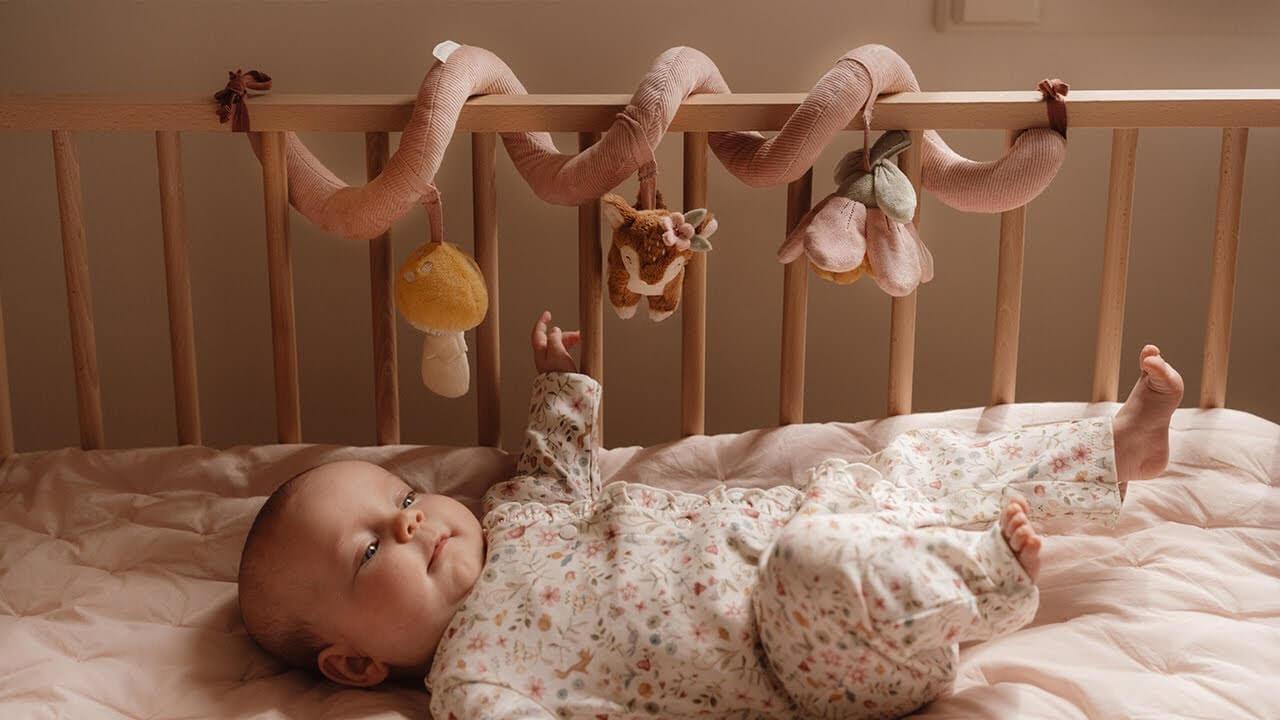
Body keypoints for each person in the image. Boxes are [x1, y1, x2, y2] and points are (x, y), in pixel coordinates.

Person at [238, 311, 1183, 719]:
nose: (411, 522)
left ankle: (1110, 452)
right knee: (820, 559)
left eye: (402, 499)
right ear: (356, 664)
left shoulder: (518, 514)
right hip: (804, 659)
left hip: (806, 517)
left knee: (899, 467)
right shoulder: (476, 680)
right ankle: (982, 583)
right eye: (369, 550)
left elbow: (561, 464)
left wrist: (559, 380)